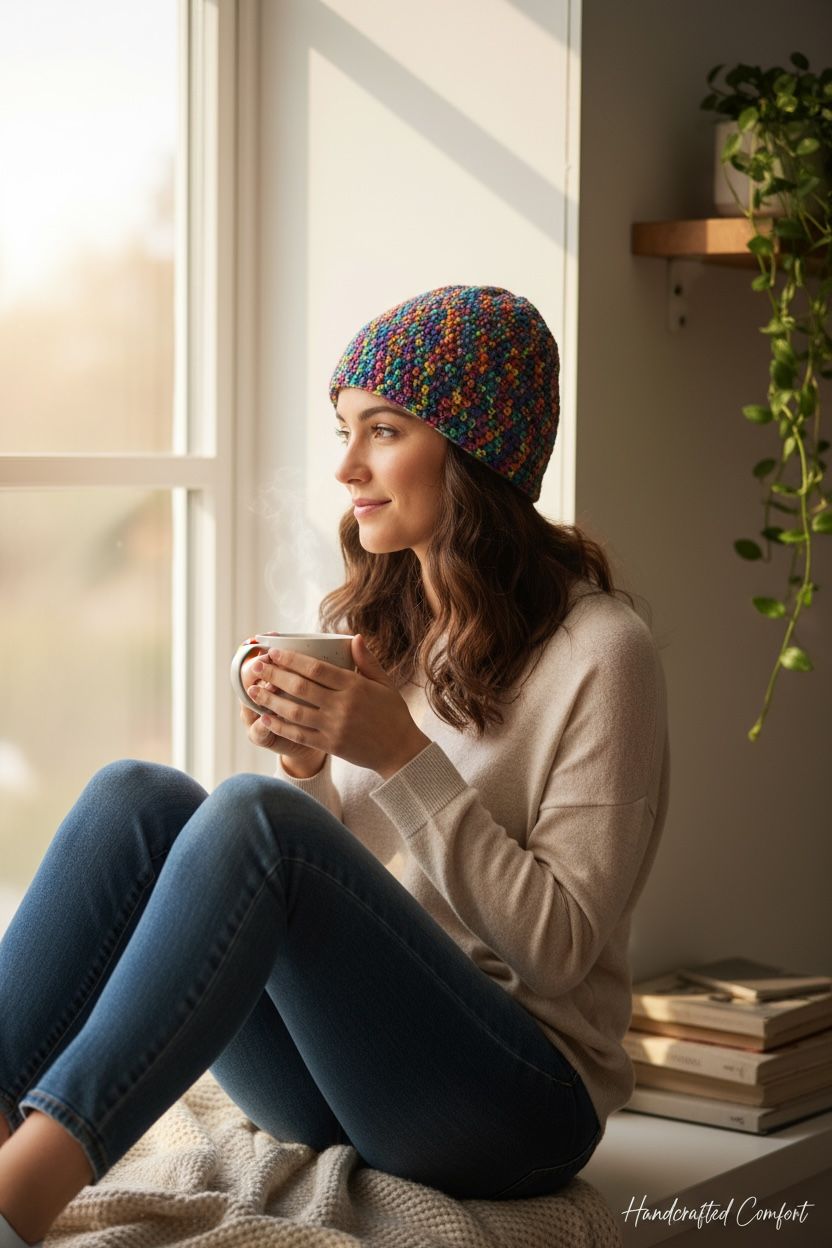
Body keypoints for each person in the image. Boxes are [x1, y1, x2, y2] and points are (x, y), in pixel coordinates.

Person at [0, 284, 670, 1246]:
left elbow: (557, 949)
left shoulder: (603, 652)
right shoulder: (388, 622)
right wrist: (310, 764)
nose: (348, 465)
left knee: (253, 819)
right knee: (137, 798)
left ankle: (21, 1194)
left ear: (476, 451)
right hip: (350, 1076)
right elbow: (345, 896)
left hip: (517, 1103)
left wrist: (401, 753)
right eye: (345, 430)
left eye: (383, 430)